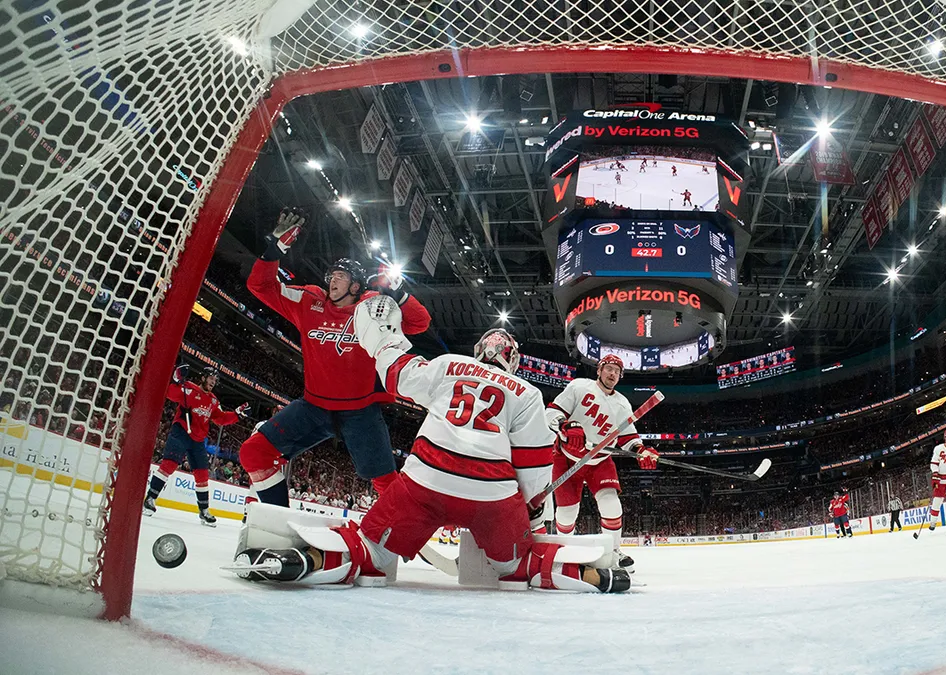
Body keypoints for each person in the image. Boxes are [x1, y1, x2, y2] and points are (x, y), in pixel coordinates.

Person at [233, 303, 629, 593]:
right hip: (491, 496)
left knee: (369, 548)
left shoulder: (448, 364)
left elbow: (396, 376)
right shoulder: (526, 391)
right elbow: (533, 462)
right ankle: (589, 574)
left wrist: (385, 340)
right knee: (517, 564)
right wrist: (529, 512)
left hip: (424, 482)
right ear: (513, 361)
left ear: (479, 350)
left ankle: (310, 559)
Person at [237, 209, 431, 508]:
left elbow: (420, 323)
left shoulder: (372, 307)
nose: (332, 281)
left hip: (361, 412)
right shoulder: (309, 300)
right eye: (331, 276)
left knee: (387, 484)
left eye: (340, 276)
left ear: (356, 286)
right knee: (253, 452)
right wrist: (273, 251)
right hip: (313, 406)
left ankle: (404, 533)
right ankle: (277, 520)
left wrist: (397, 291)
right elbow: (260, 286)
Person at [545, 354, 658, 568]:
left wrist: (641, 451)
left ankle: (614, 553)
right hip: (567, 458)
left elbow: (628, 438)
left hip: (600, 460)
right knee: (567, 513)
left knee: (612, 506)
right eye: (609, 368)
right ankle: (564, 549)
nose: (613, 373)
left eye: (617, 371)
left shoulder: (622, 403)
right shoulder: (579, 387)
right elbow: (551, 412)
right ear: (599, 370)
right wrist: (566, 426)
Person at [143, 364, 249, 526]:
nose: (213, 382)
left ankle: (204, 511)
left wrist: (237, 414)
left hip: (198, 440)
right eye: (211, 378)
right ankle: (150, 499)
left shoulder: (213, 400)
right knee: (169, 465)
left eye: (215, 380)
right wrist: (177, 379)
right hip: (181, 433)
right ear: (203, 378)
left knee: (202, 476)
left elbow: (220, 418)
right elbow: (170, 393)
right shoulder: (189, 389)